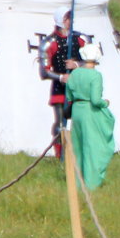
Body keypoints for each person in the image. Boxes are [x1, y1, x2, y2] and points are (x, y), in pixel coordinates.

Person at [64, 41, 116, 189]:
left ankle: (77, 181)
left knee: (78, 145)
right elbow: (95, 99)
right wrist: (105, 103)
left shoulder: (75, 73)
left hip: (77, 111)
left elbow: (69, 95)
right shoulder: (95, 75)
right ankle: (91, 182)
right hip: (89, 111)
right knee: (93, 146)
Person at [39, 8, 86, 158]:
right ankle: (61, 155)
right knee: (60, 124)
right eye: (67, 18)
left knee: (81, 123)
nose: (69, 22)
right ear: (60, 20)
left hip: (79, 88)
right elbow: (44, 71)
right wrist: (61, 77)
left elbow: (92, 60)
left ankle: (79, 155)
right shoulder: (49, 43)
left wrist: (77, 65)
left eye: (71, 18)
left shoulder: (80, 39)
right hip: (60, 89)